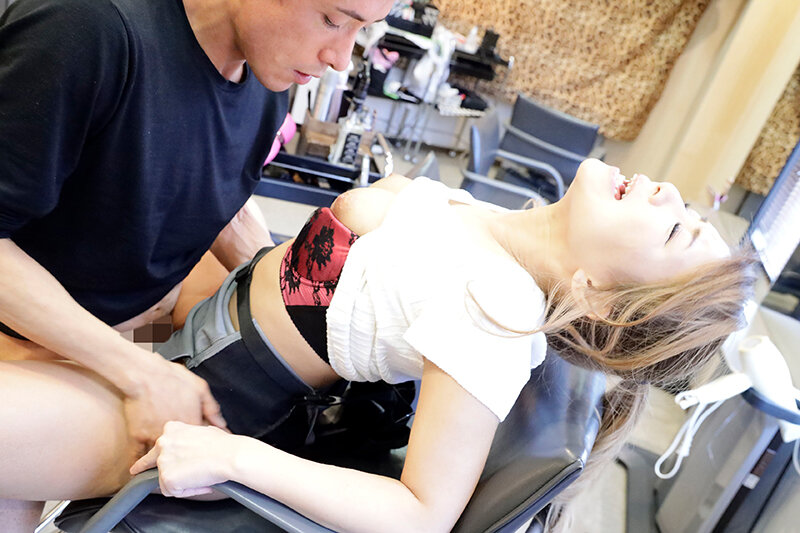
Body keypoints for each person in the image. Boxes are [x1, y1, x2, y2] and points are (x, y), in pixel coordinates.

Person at [0, 158, 756, 532]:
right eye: (686, 210)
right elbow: (344, 293)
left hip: (201, 399)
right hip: (196, 330)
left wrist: (234, 459)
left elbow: (422, 514)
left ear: (598, 299)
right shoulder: (493, 225)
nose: (667, 193)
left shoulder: (495, 310)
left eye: (673, 230)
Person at [0, 0, 393, 524]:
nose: (341, 58)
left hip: (122, 327)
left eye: (362, 30)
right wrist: (139, 374)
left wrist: (280, 285)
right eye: (333, 20)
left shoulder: (265, 76)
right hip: (25, 334)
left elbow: (203, 177)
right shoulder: (88, 29)